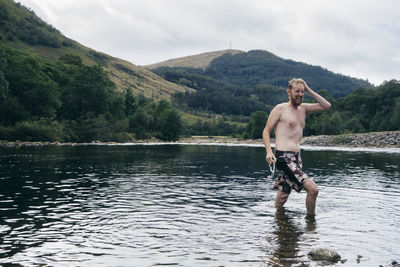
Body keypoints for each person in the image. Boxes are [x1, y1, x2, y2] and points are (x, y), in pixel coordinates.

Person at [262, 78, 331, 214]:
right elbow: (266, 131)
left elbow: (326, 105)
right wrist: (269, 151)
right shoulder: (280, 109)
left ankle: (278, 223)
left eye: (302, 92)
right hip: (283, 157)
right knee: (313, 190)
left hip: (297, 158)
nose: (300, 94)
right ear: (289, 92)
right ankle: (311, 225)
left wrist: (309, 89)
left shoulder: (304, 109)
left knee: (282, 197)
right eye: (296, 91)